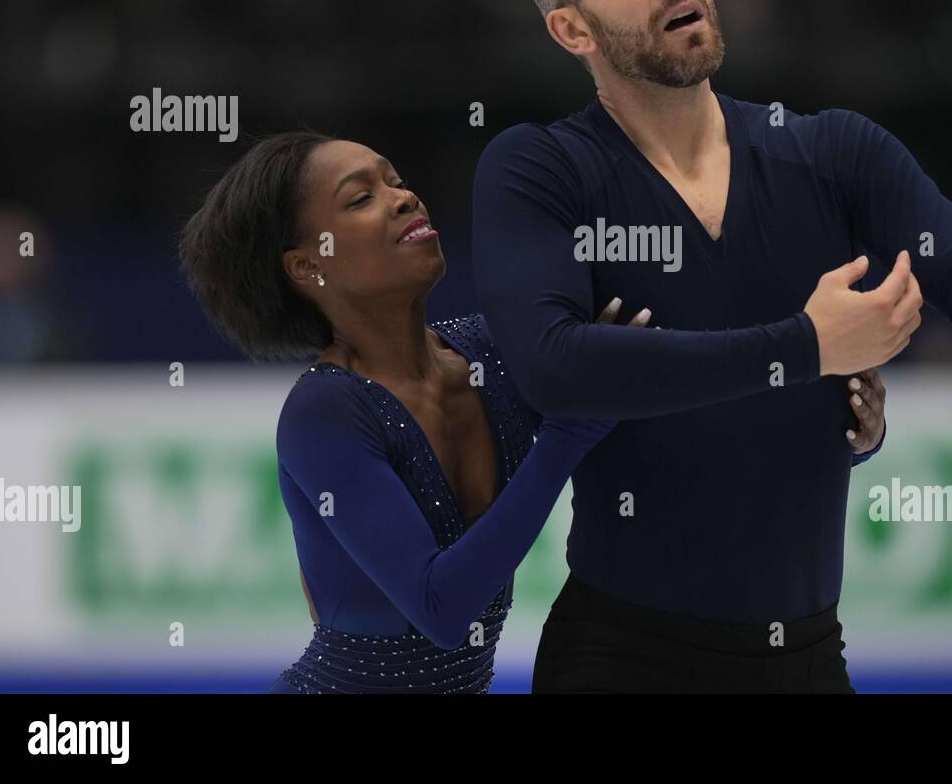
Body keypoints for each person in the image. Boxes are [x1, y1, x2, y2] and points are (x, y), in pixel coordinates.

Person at [471, 0, 952, 693]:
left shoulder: (832, 152)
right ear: (572, 30)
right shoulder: (541, 171)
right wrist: (806, 347)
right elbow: (553, 365)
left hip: (809, 660)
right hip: (621, 659)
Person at [178, 131, 641, 693]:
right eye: (360, 198)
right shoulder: (325, 410)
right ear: (306, 266)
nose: (404, 197)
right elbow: (442, 610)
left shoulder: (491, 351)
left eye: (395, 181)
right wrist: (568, 435)